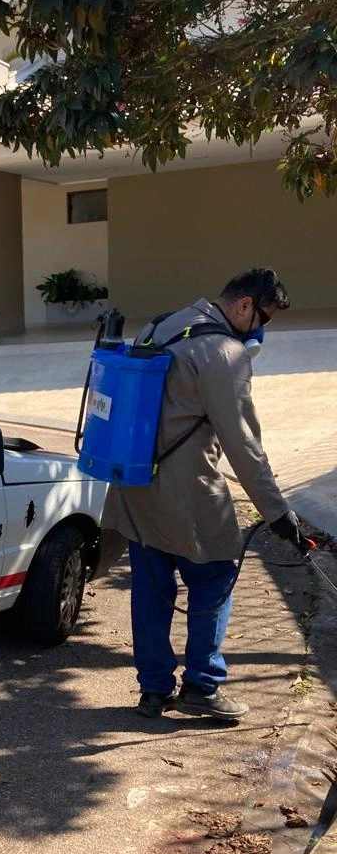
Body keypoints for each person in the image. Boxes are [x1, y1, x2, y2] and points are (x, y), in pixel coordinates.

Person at [102, 267, 310, 722]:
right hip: (188, 494)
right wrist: (277, 513)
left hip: (134, 487)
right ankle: (201, 685)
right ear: (244, 305)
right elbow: (243, 445)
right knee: (215, 576)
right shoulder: (224, 353)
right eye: (263, 319)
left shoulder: (161, 324)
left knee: (152, 590)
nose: (260, 330)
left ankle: (153, 691)